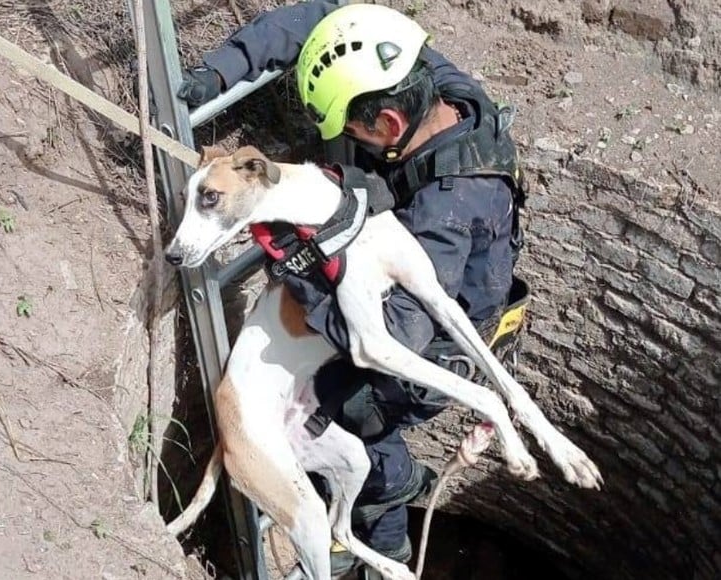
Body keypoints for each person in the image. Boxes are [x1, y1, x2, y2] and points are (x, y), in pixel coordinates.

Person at [178, 2, 528, 574]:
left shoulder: (449, 210)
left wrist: (299, 269)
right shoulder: (414, 72)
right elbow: (329, 21)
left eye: (352, 132)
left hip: (435, 332)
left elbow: (395, 333)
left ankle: (383, 532)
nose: (345, 141)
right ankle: (388, 497)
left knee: (352, 412)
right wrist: (222, 70)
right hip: (424, 296)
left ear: (388, 126)